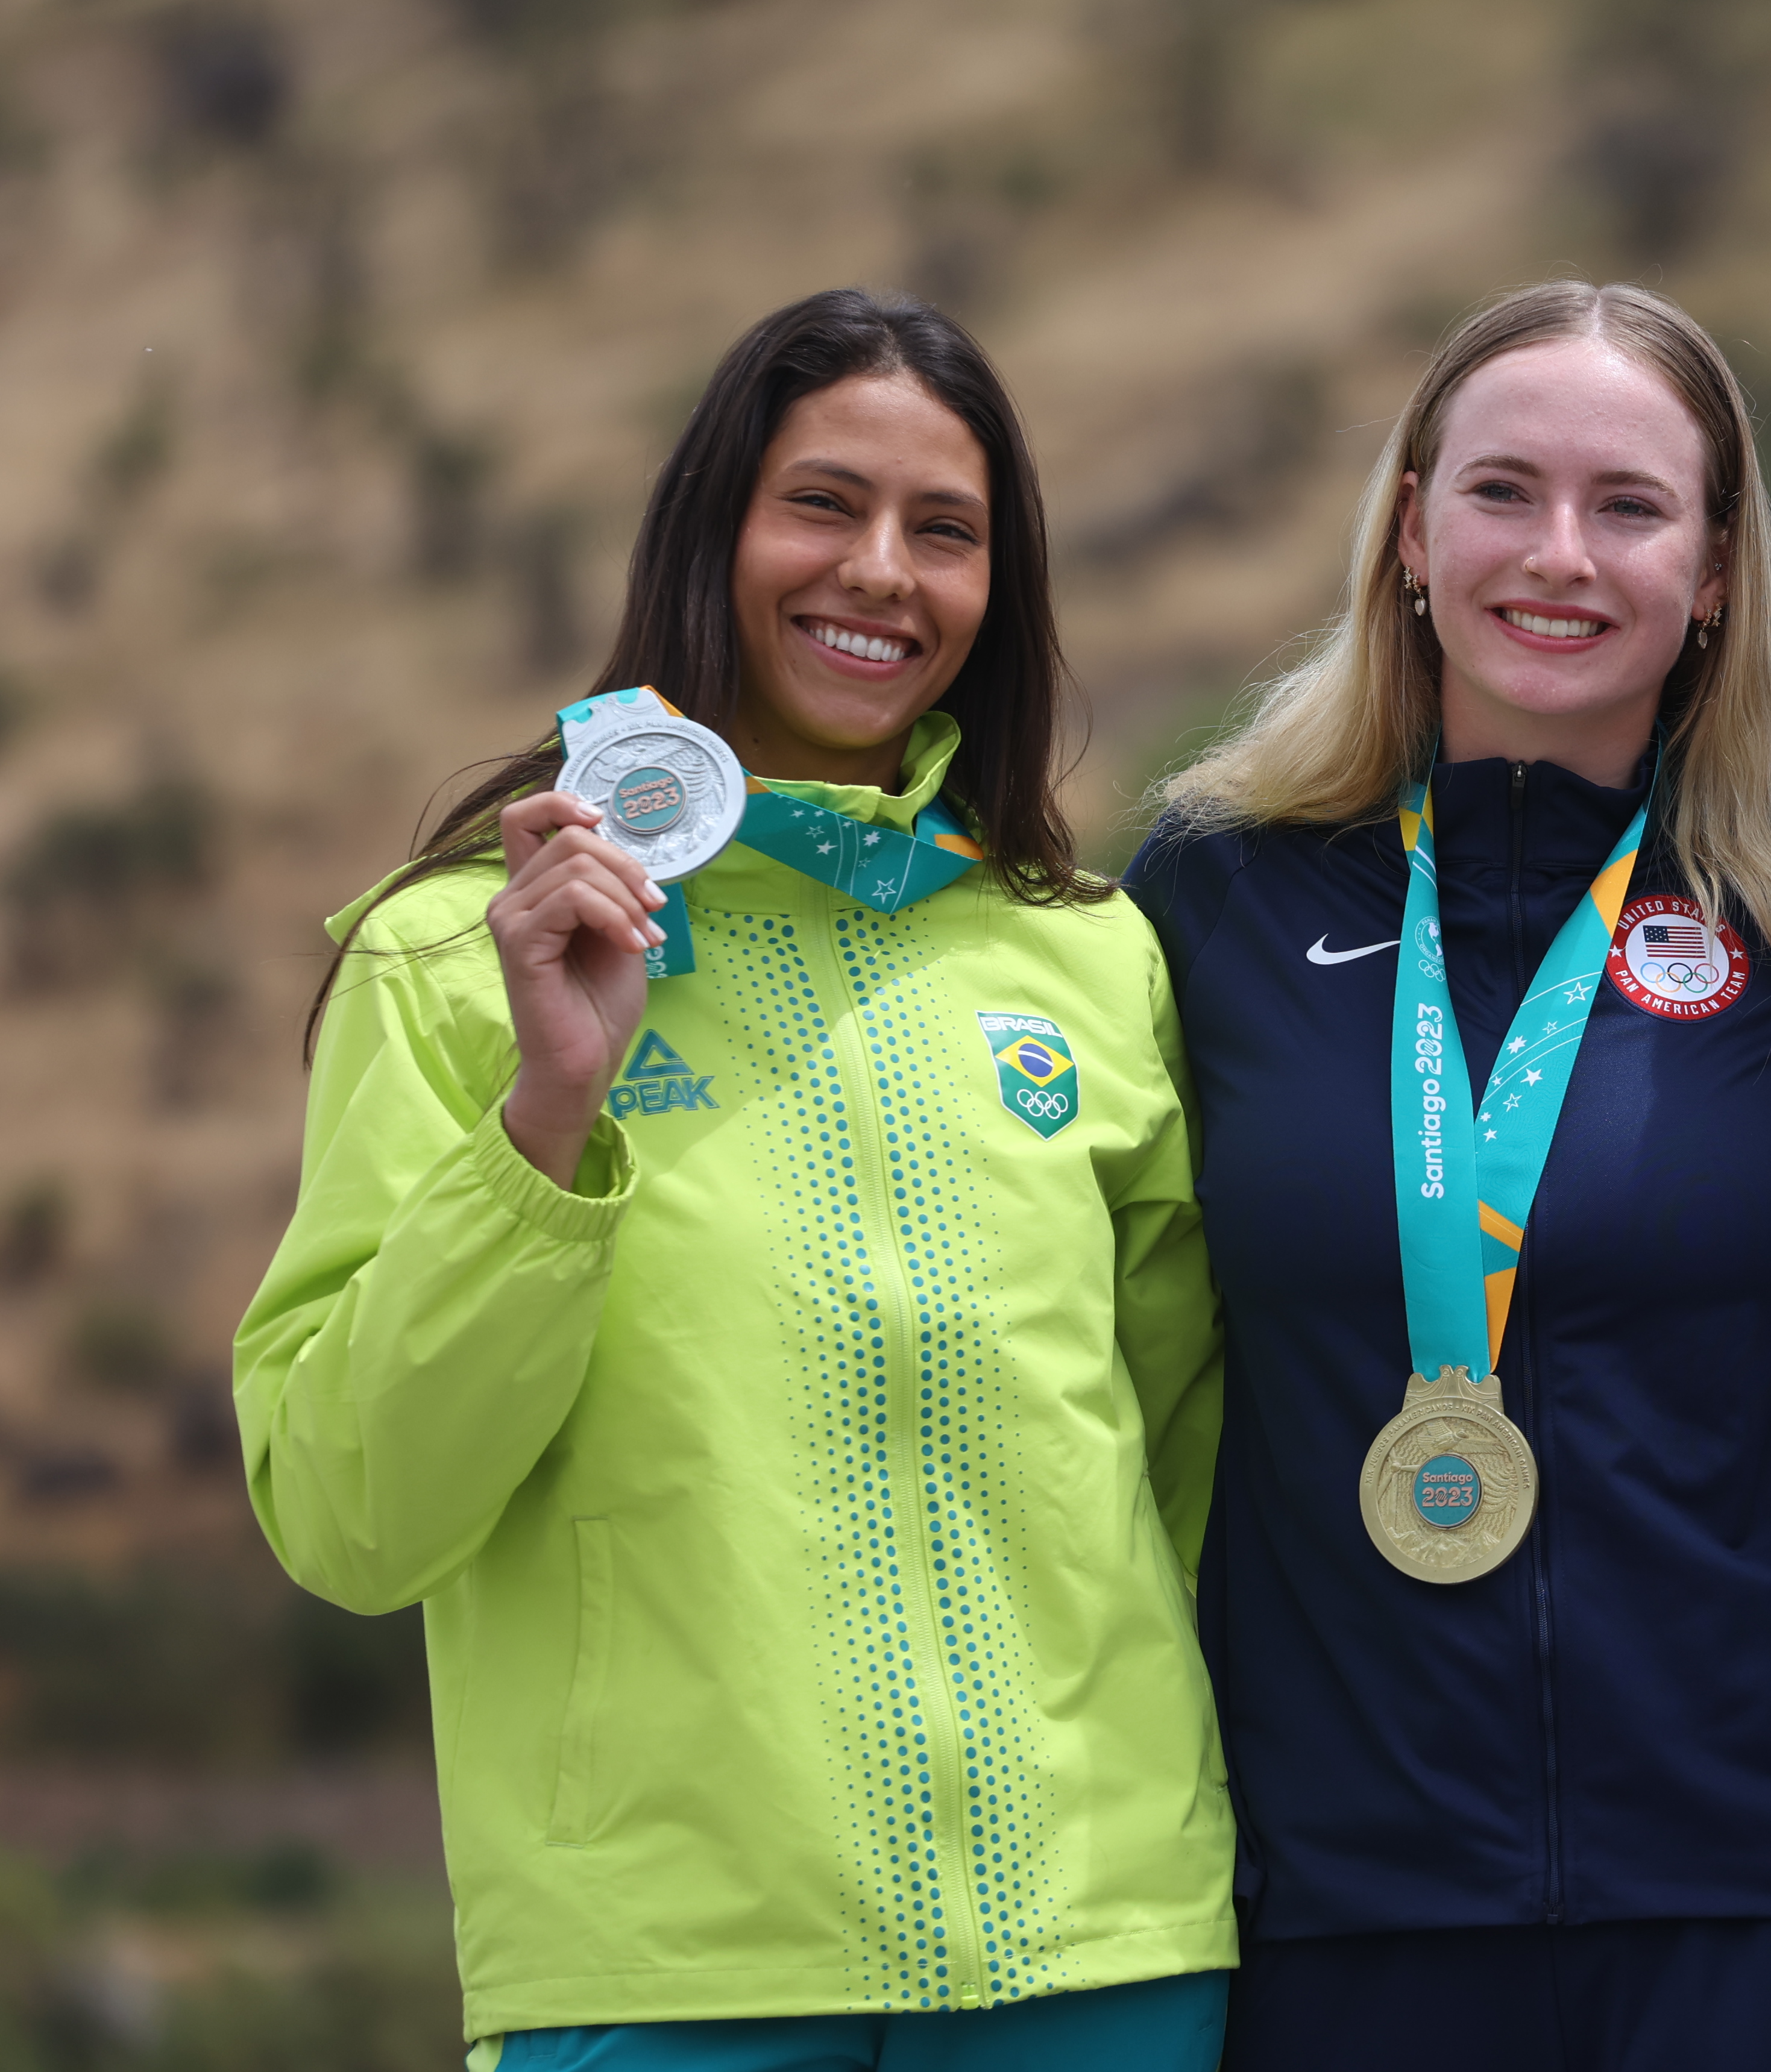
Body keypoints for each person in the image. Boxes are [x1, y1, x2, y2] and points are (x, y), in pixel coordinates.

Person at [233, 291, 1235, 2072]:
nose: (880, 575)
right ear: (714, 529)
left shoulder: (1088, 960)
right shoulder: (455, 960)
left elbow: (1181, 1480)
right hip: (668, 1989)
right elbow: (351, 1513)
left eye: (946, 533)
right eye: (822, 506)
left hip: (1105, 1968)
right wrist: (552, 1110)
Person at [1126, 281, 1771, 2072]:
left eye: (1631, 506)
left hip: (1769, 1896)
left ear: (1716, 570)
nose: (1560, 555)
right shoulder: (1215, 891)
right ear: (1411, 531)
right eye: (1504, 492)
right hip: (1347, 1901)